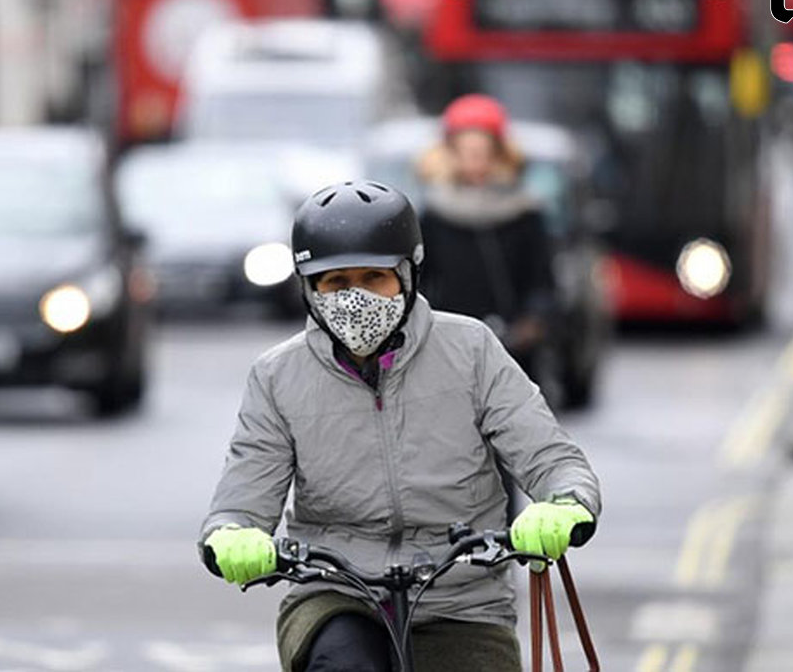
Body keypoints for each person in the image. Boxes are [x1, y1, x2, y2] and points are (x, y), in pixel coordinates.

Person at [198, 181, 601, 672]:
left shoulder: (472, 350)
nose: (356, 298)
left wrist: (564, 504)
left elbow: (553, 458)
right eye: (336, 282)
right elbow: (241, 498)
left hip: (462, 601)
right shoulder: (277, 376)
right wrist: (233, 534)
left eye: (374, 277)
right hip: (338, 595)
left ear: (408, 277)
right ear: (309, 287)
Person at [416, 94, 557, 385]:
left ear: (499, 153)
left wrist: (530, 325)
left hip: (512, 350)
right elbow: (419, 282)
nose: (475, 160)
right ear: (450, 153)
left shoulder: (525, 212)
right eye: (466, 150)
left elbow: (543, 282)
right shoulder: (434, 213)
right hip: (448, 349)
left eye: (482, 151)